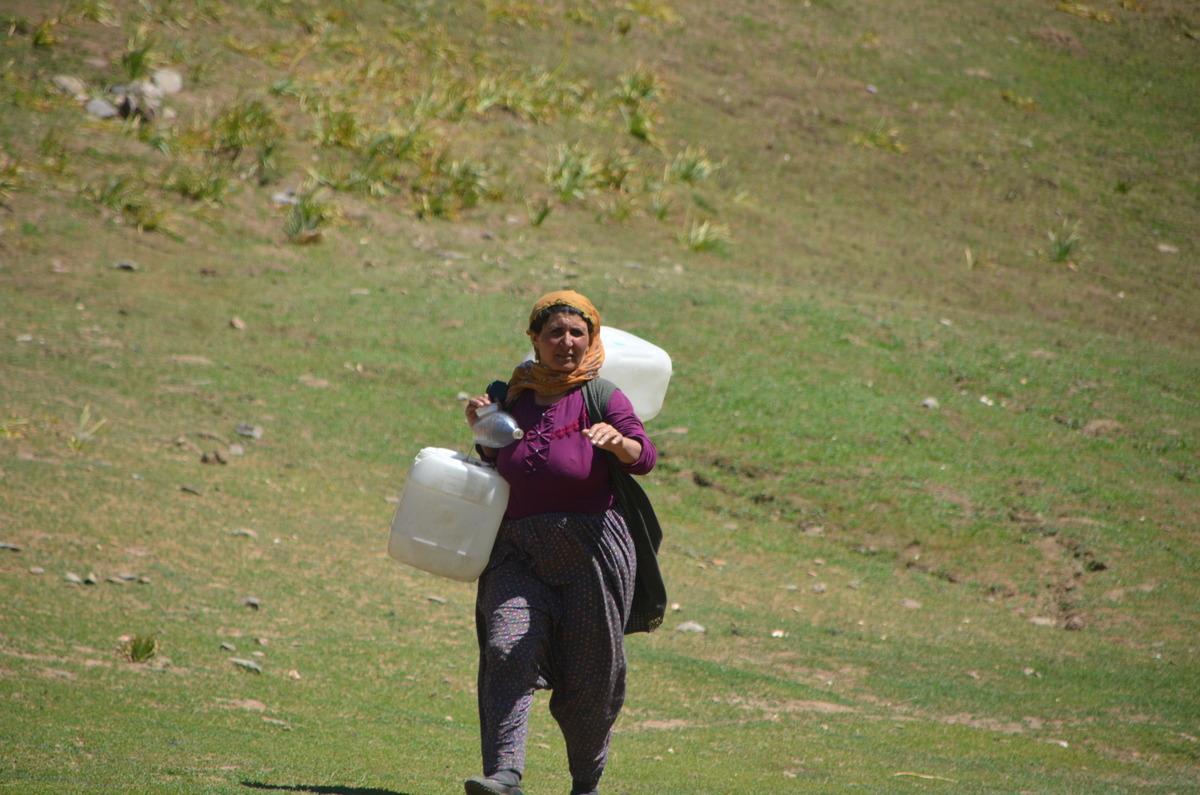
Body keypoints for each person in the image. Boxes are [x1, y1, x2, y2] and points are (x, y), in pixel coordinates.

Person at [462, 290, 658, 795]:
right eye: (555, 333)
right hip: (517, 550)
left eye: (577, 333)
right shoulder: (512, 394)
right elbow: (492, 457)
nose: (566, 342)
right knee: (506, 649)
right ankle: (505, 774)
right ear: (535, 339)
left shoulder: (602, 395)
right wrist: (481, 429)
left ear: (591, 339)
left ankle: (585, 784)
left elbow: (646, 455)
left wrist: (620, 443)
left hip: (592, 553)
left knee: (591, 683)